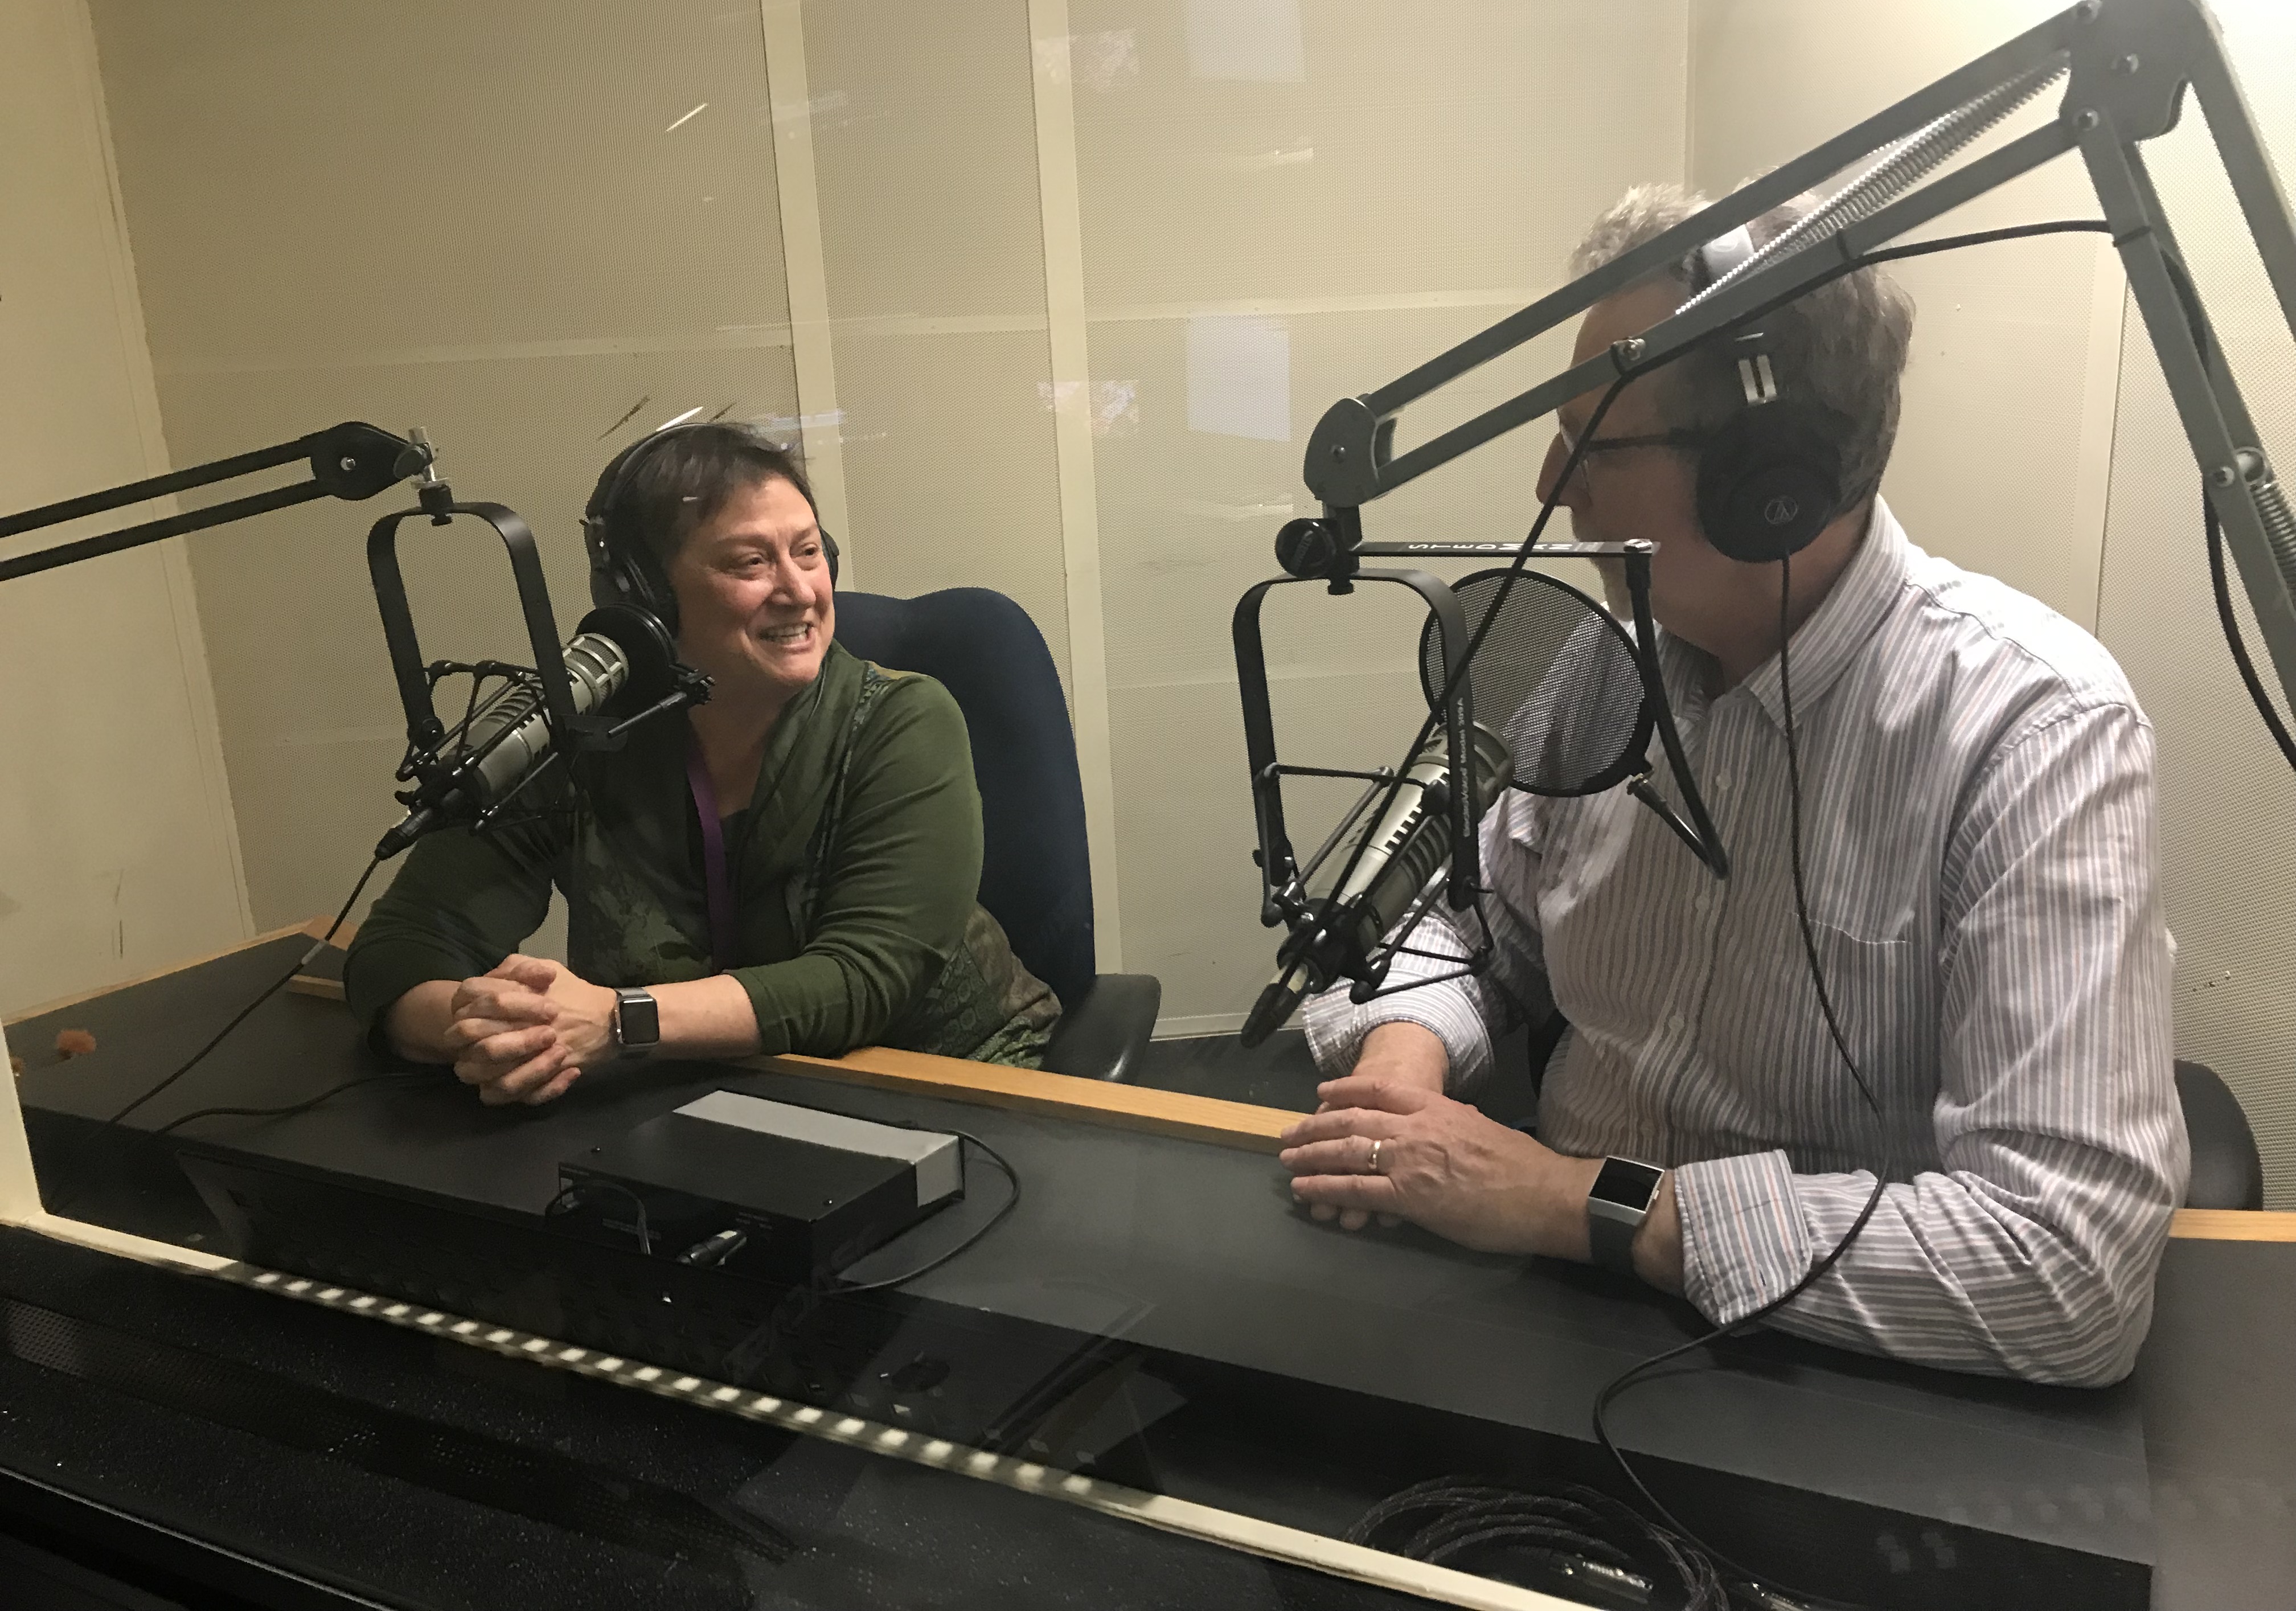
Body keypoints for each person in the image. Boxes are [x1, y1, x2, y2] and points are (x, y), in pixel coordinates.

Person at [1278, 185, 2190, 1387]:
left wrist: (1577, 1204)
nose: (1553, 484)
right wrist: (1404, 1056)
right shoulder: (1606, 663)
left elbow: (2069, 1270)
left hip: (1833, 1384)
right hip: (1534, 1317)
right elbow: (1470, 917)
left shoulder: (2034, 735)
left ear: (1776, 484)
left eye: (1595, 444)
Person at [344, 422, 1058, 1104]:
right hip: (687, 1096)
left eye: (809, 553)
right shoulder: (575, 736)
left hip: (943, 1086)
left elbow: (863, 980)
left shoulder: (903, 720)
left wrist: (618, 1022)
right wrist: (492, 1033)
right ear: (644, 597)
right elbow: (403, 949)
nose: (799, 589)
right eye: (751, 562)